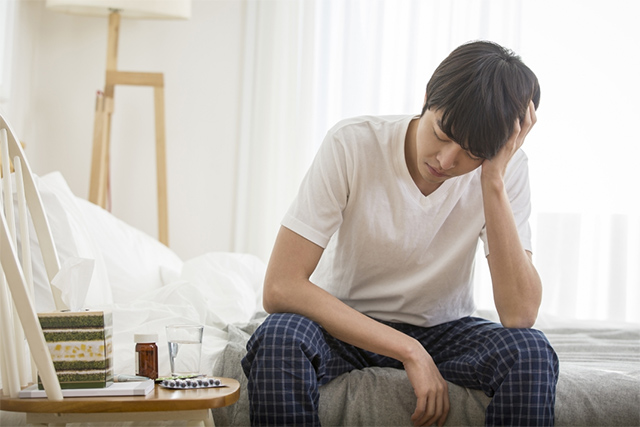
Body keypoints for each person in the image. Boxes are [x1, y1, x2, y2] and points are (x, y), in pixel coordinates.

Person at [242, 40, 559, 427]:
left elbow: (519, 313)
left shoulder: (507, 171)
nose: (446, 160)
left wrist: (492, 180)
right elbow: (280, 287)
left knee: (530, 351)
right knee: (279, 336)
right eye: (441, 133)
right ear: (426, 98)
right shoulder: (353, 143)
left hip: (445, 330)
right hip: (343, 323)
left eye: (473, 152)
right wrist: (408, 349)